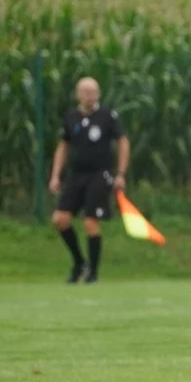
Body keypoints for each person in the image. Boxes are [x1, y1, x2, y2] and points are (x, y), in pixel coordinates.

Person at [49, 77, 130, 284]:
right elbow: (63, 146)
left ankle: (93, 273)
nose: (90, 97)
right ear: (78, 94)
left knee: (90, 222)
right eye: (86, 93)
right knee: (60, 219)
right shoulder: (71, 117)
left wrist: (120, 173)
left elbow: (122, 141)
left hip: (99, 175)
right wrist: (55, 175)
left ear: (98, 94)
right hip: (76, 175)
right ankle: (79, 262)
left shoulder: (107, 116)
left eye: (93, 92)